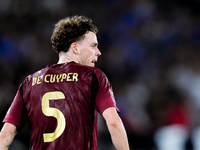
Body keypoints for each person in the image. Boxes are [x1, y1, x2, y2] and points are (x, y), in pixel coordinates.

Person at [0, 15, 130, 150]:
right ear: (75, 48)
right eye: (93, 46)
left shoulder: (30, 82)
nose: (98, 52)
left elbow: (5, 135)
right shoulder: (93, 77)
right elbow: (114, 123)